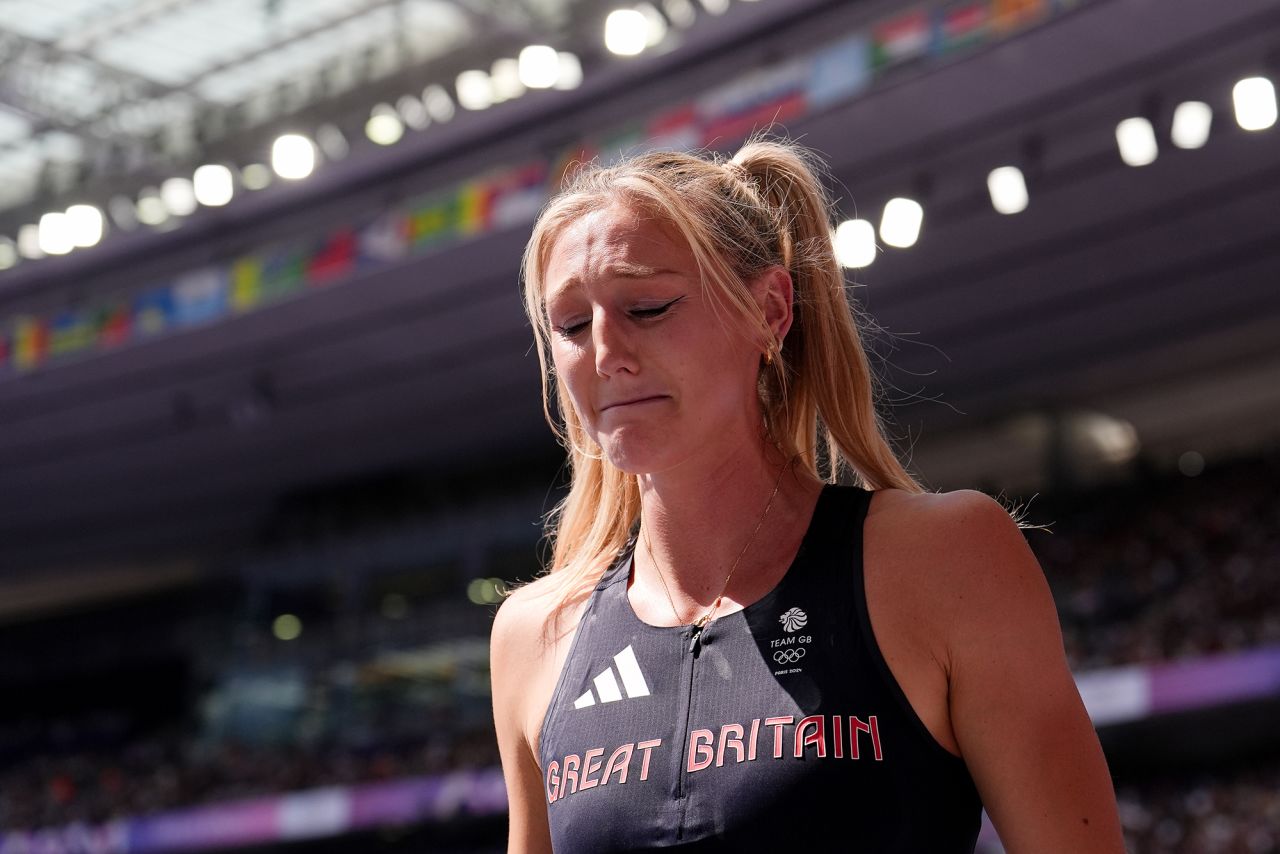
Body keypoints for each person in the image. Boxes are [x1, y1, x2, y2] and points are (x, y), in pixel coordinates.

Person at [490, 136, 1125, 853]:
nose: (605, 353)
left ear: (769, 312)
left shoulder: (945, 561)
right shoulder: (534, 635)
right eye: (571, 325)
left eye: (647, 307)